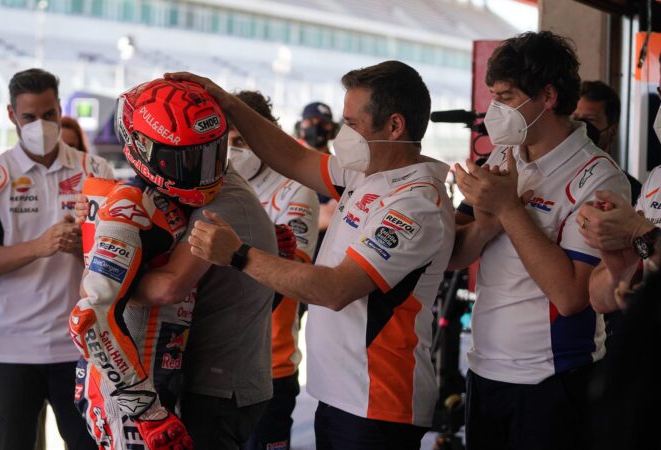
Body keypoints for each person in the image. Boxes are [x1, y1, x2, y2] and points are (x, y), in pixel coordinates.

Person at [169, 60, 456, 450]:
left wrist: (238, 255)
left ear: (394, 126)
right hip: (343, 394)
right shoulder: (366, 174)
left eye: (352, 124)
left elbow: (335, 289)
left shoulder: (415, 202)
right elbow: (292, 156)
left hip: (376, 403)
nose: (342, 134)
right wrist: (228, 103)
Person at [449, 31, 630, 450]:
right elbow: (454, 257)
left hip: (550, 380)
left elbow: (571, 297)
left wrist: (510, 210)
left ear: (547, 96)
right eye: (493, 97)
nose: (496, 111)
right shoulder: (502, 157)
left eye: (507, 97)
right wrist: (484, 224)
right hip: (484, 368)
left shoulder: (599, 177)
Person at [68, 78, 230, 450]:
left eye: (211, 155)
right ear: (146, 150)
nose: (204, 170)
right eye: (189, 159)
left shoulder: (168, 200)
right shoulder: (129, 207)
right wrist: (146, 411)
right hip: (129, 394)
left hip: (161, 378)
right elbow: (89, 316)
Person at [0, 68, 113, 450]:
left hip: (82, 346)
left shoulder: (95, 170)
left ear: (60, 109)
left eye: (48, 115)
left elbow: (118, 257)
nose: (40, 125)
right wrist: (41, 245)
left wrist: (83, 246)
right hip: (10, 348)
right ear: (12, 115)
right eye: (29, 117)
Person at [227, 91, 319, 450]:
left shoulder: (294, 190)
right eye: (227, 140)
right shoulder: (207, 184)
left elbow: (292, 278)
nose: (234, 149)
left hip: (270, 365)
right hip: (208, 361)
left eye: (242, 140)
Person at [572, 80, 642, 203]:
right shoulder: (557, 175)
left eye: (590, 119)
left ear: (613, 130)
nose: (581, 126)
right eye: (576, 118)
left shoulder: (631, 190)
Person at [297, 102, 338, 252]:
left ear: (332, 129)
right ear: (300, 126)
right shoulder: (289, 166)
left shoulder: (343, 171)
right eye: (310, 121)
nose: (316, 127)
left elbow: (334, 216)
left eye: (323, 123)